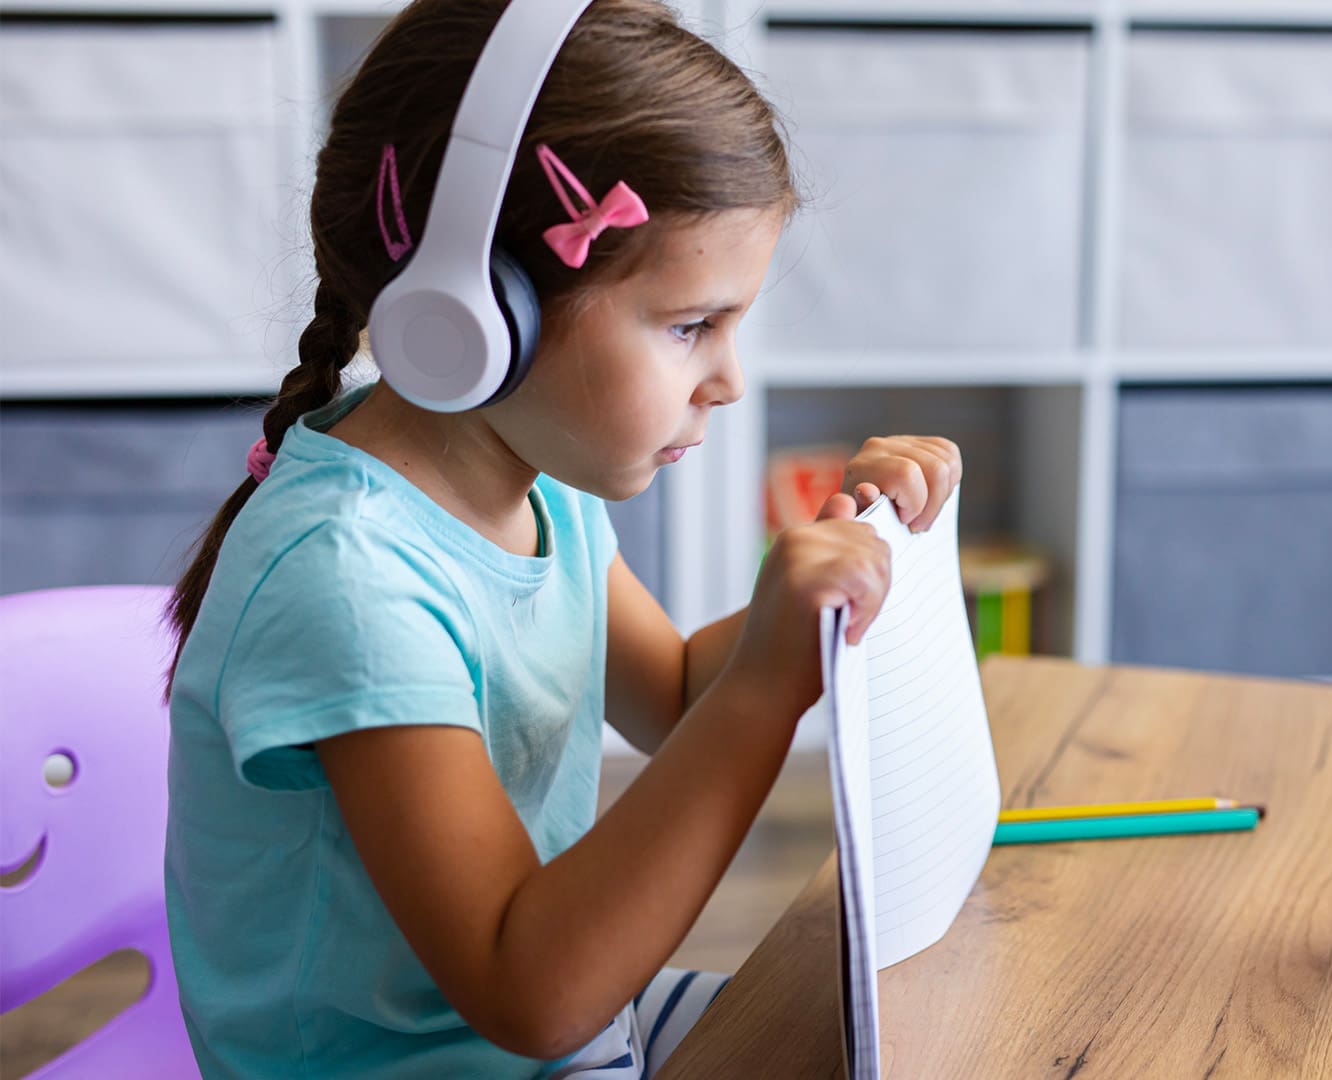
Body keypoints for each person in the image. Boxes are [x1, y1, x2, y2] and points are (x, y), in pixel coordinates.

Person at [161, 1, 961, 1074]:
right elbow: (526, 991)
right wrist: (769, 684)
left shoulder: (540, 487)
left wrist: (837, 590)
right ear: (479, 312)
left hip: (565, 1026)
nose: (727, 382)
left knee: (895, 1037)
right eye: (691, 327)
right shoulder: (349, 580)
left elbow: (674, 694)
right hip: (448, 1053)